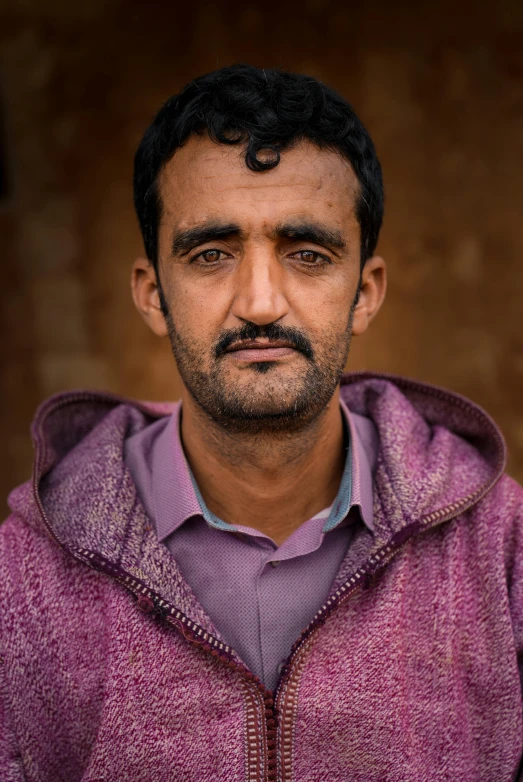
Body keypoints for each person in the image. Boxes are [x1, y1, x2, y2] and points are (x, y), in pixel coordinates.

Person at [1, 64, 522, 782]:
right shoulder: (23, 576)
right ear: (152, 295)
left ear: (364, 293)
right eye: (210, 254)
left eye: (307, 254)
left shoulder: (500, 550)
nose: (259, 301)